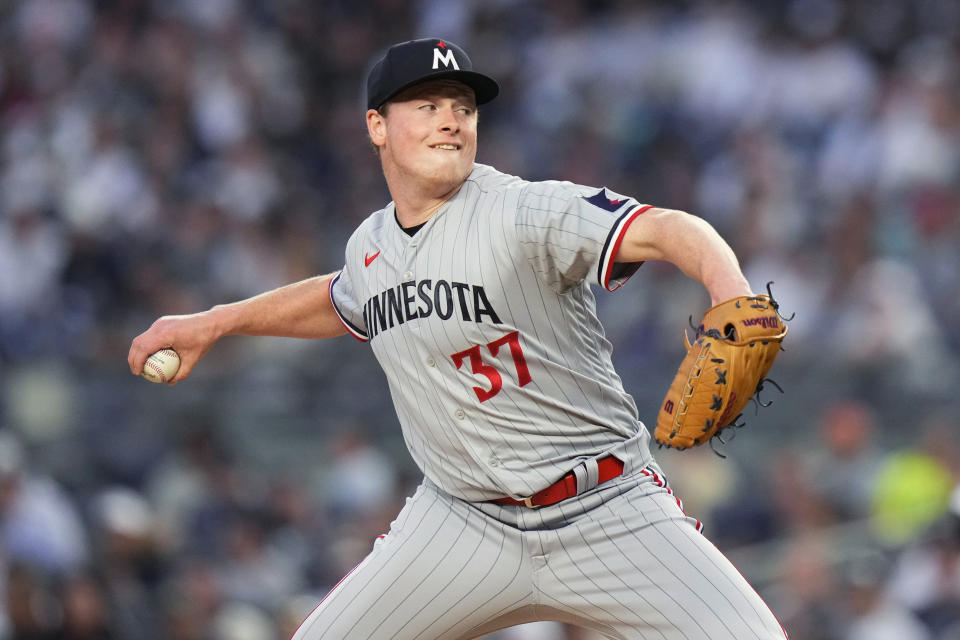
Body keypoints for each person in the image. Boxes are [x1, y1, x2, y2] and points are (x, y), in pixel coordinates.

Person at [129, 38, 787, 639]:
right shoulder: (371, 246)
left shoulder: (522, 210)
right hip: (463, 522)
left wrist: (729, 290)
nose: (452, 118)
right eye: (427, 104)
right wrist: (215, 321)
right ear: (377, 127)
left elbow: (668, 226)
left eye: (463, 106)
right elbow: (339, 298)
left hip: (605, 507)